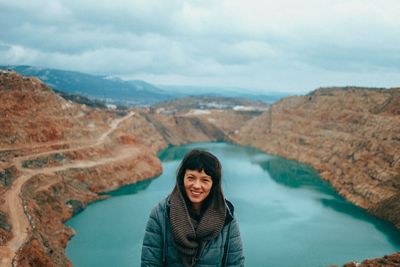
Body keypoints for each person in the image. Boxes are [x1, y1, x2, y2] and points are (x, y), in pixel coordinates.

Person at [141, 149, 245, 267]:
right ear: (182, 178)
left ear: (213, 184)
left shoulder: (226, 216)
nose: (196, 185)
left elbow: (235, 263)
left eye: (205, 180)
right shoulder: (161, 214)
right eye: (191, 178)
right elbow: (150, 264)